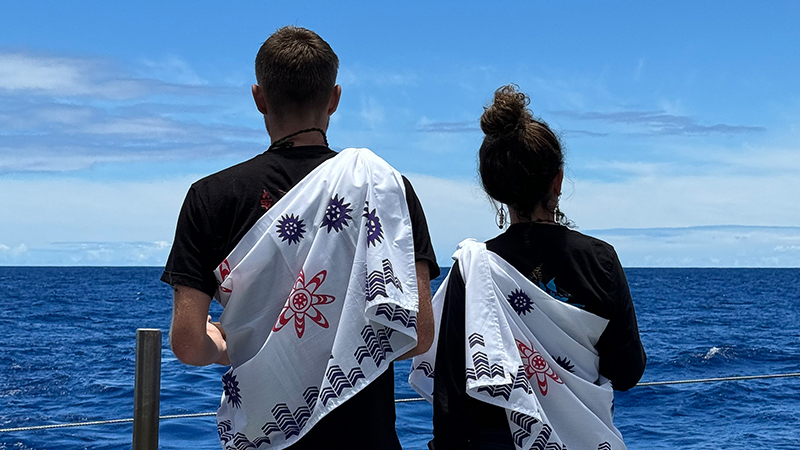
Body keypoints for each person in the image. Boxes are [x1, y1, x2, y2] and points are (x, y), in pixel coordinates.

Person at [161, 26, 438, 450]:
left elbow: (186, 342)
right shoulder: (385, 190)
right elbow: (418, 332)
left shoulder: (210, 197)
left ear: (259, 98)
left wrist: (223, 344)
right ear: (334, 98)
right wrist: (342, 352)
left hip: (264, 433)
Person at [411, 85, 646, 450]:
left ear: (495, 189)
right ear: (558, 181)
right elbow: (627, 370)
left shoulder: (475, 269)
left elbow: (452, 394)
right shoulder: (601, 261)